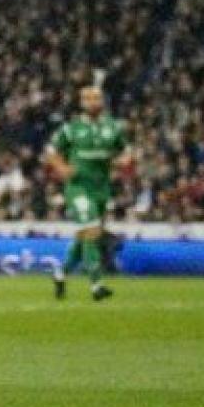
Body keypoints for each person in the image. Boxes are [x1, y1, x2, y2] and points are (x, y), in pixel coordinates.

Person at [43, 85, 132, 301]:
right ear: (82, 103)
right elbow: (50, 151)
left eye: (97, 98)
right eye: (88, 99)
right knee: (91, 230)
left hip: (101, 188)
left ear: (102, 102)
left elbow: (127, 152)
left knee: (85, 235)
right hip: (78, 187)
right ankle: (96, 284)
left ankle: (61, 273)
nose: (93, 102)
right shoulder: (70, 128)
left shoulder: (114, 127)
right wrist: (62, 168)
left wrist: (123, 162)